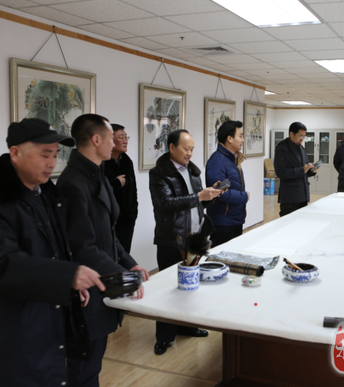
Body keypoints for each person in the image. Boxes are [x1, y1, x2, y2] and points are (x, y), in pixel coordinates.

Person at [0, 118, 105, 387]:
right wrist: (66, 276)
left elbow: (50, 251)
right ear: (15, 153)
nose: (52, 163)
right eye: (44, 155)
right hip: (4, 330)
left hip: (41, 318)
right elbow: (0, 264)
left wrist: (69, 283)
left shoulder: (44, 194)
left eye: (55, 154)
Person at [57, 114, 149, 387]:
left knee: (94, 362)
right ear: (96, 140)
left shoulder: (98, 174)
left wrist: (129, 263)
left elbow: (108, 233)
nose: (116, 143)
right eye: (112, 138)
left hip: (103, 281)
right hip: (87, 289)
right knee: (84, 368)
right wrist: (123, 276)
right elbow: (83, 246)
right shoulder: (73, 183)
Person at [149, 129, 222, 355]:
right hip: (172, 238)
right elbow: (166, 203)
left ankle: (187, 326)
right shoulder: (159, 173)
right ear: (172, 147)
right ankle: (164, 337)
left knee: (191, 287)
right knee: (168, 290)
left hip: (194, 237)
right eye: (186, 149)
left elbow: (196, 204)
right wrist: (199, 196)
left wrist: (209, 196)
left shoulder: (192, 171)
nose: (189, 153)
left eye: (192, 149)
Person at [205, 120, 250, 247]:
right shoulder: (217, 161)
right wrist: (244, 196)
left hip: (234, 220)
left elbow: (228, 186)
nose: (243, 140)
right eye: (240, 136)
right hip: (223, 222)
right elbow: (219, 192)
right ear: (229, 139)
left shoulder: (231, 159)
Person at [103, 124, 138, 253]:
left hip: (127, 219)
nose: (125, 141)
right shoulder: (101, 163)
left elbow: (133, 190)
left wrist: (133, 212)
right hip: (109, 221)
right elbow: (98, 188)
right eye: (121, 137)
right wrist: (115, 183)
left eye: (126, 137)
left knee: (124, 255)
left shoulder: (127, 161)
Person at [274, 122, 317, 217]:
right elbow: (281, 172)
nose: (302, 139)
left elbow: (304, 171)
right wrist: (302, 170)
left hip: (303, 195)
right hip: (290, 197)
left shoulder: (301, 148)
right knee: (288, 223)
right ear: (291, 134)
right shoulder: (282, 148)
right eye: (300, 136)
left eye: (304, 136)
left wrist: (311, 171)